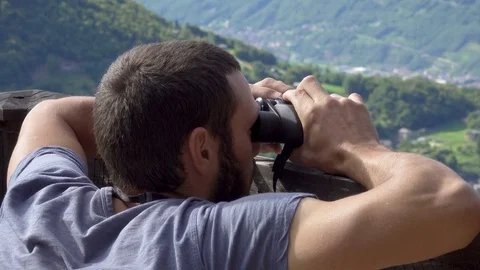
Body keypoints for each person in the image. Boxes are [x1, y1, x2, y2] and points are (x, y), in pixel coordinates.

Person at [1, 40, 479, 270]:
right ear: (202, 148)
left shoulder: (41, 204)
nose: (257, 132)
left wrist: (195, 108)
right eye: (249, 123)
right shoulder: (207, 241)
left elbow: (53, 113)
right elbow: (448, 204)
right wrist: (357, 148)